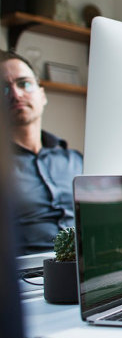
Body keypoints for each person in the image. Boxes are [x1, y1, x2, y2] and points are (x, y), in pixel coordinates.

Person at [2, 50, 83, 255]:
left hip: (88, 271)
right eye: (3, 88)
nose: (16, 94)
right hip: (28, 279)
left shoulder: (75, 160)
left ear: (42, 95)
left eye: (24, 83)